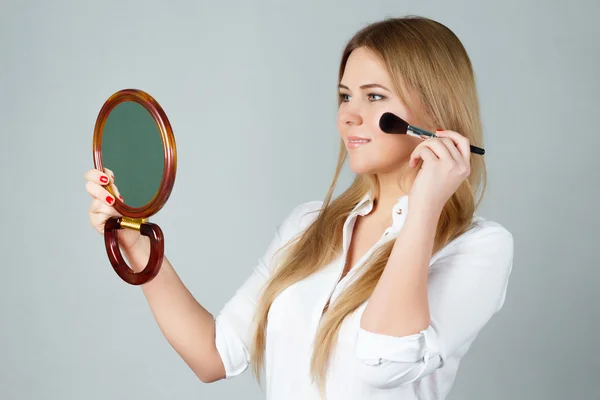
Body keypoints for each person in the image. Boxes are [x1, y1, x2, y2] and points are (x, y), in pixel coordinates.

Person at [84, 15, 514, 400]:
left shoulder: (479, 248)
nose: (349, 116)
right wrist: (138, 246)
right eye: (346, 96)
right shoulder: (307, 225)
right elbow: (212, 354)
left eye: (375, 97)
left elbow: (386, 361)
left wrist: (423, 208)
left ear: (434, 113)